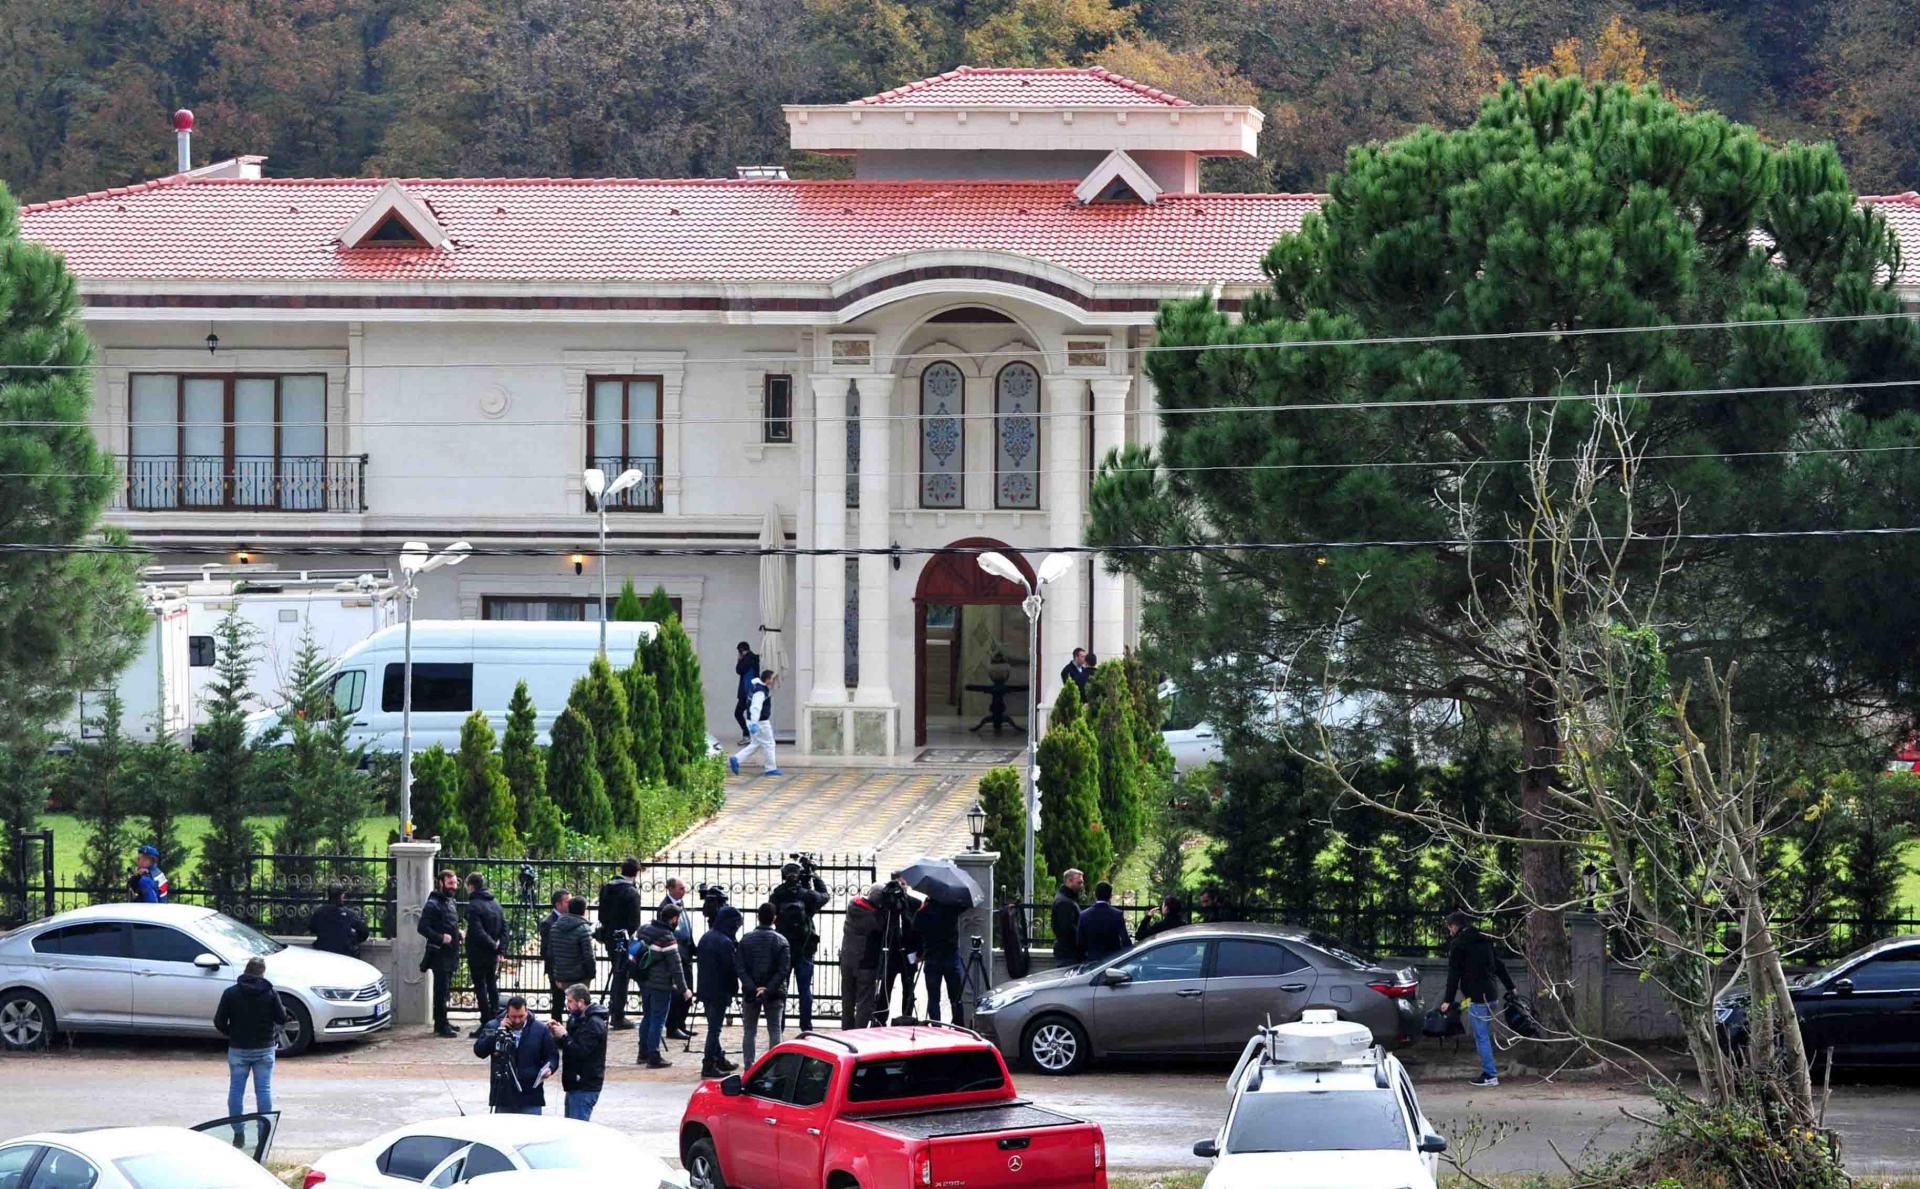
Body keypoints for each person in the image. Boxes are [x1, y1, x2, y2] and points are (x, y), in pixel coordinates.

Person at [1440, 910, 1515, 1088]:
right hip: (1491, 996)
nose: (1449, 931)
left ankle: (1490, 1075)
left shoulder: (1459, 944)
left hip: (1477, 998)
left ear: (1454, 926)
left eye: (1449, 928)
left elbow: (1454, 974)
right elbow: (1499, 965)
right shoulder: (1484, 940)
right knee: (1480, 1030)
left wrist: (1447, 1000)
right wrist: (1511, 986)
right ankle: (1489, 1071)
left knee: (1481, 1037)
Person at [212, 957, 287, 1117]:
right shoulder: (270, 993)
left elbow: (219, 1021)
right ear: (262, 973)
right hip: (264, 1048)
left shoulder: (230, 993)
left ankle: (237, 1128)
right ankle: (264, 1128)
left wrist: (231, 1033)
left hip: (238, 1048)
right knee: (264, 1089)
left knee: (236, 1090)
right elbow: (282, 1018)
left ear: (245, 970)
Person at [474, 996, 559, 1115]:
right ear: (507, 1013)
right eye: (513, 1017)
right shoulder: (492, 1027)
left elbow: (552, 1055)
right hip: (503, 1095)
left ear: (527, 1011)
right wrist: (499, 1031)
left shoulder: (540, 1029)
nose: (517, 1020)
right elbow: (480, 1050)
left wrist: (550, 1068)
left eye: (521, 1016)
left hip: (530, 1095)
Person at [770, 859, 828, 1031]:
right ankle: (806, 1026)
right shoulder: (807, 895)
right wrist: (814, 876)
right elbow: (824, 896)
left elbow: (770, 914)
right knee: (805, 989)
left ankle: (779, 1026)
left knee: (781, 988)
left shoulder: (778, 894)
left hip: (783, 947)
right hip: (805, 947)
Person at [632, 905, 692, 1068]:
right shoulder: (667, 937)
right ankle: (654, 1056)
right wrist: (684, 989)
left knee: (647, 1016)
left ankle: (643, 1053)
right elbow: (676, 966)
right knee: (658, 1019)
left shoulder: (644, 929)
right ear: (674, 919)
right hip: (660, 984)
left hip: (644, 981)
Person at [735, 903, 791, 1067]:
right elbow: (783, 970)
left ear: (758, 917)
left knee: (749, 1031)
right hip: (774, 992)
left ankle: (749, 1066)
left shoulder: (746, 940)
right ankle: (775, 1068)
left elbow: (740, 967)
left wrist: (752, 987)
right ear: (775, 918)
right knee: (775, 1030)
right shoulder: (781, 941)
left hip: (751, 992)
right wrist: (769, 988)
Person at [696, 904, 743, 1077]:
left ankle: (719, 1058)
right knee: (714, 1030)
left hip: (705, 989)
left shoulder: (706, 937)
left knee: (713, 1027)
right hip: (719, 991)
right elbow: (730, 969)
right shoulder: (724, 942)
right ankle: (708, 1064)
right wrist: (734, 989)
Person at [549, 984, 608, 1121]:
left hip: (585, 1085)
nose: (567, 1005)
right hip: (574, 1083)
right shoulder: (577, 1019)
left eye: (570, 1001)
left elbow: (581, 1051)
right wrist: (557, 1034)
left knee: (577, 1127)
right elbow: (570, 1045)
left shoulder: (593, 1023)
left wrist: (564, 1036)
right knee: (570, 1125)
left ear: (581, 1002)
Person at [597, 858, 644, 1031]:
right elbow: (635, 921)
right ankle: (617, 1015)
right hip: (624, 938)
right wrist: (628, 933)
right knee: (622, 975)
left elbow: (601, 915)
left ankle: (614, 1011)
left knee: (618, 973)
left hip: (609, 936)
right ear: (636, 873)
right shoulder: (631, 892)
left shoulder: (607, 888)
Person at [418, 869, 463, 1038]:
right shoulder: (433, 904)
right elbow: (422, 927)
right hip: (439, 954)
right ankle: (441, 1025)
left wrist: (458, 933)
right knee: (441, 991)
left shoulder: (450, 901)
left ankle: (442, 1021)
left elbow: (449, 923)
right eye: (450, 883)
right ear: (441, 883)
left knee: (445, 990)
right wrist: (440, 937)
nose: (454, 887)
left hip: (451, 953)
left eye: (455, 883)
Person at [838, 884, 887, 1028]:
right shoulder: (875, 917)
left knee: (847, 999)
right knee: (864, 1001)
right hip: (866, 963)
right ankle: (858, 1032)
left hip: (847, 960)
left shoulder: (853, 906)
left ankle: (846, 1030)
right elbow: (883, 926)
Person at [464, 872, 506, 1034]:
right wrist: (500, 948)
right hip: (491, 953)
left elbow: (477, 930)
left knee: (480, 986)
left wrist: (493, 946)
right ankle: (495, 1018)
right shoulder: (495, 903)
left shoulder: (474, 905)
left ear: (471, 886)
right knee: (491, 983)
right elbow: (504, 928)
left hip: (478, 952)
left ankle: (486, 1022)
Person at [548, 897, 598, 1025]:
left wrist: (556, 973)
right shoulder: (584, 929)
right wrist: (591, 973)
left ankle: (557, 1029)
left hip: (562, 975)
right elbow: (588, 955)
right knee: (581, 1005)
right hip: (579, 975)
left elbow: (551, 954)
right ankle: (580, 1029)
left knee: (561, 1004)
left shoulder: (555, 926)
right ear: (584, 910)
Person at [916, 896, 965, 1024]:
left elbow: (916, 930)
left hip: (932, 957)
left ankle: (936, 1026)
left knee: (933, 998)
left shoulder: (923, 912)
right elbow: (964, 906)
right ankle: (959, 1024)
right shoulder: (951, 908)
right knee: (956, 997)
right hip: (950, 956)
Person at [728, 669, 782, 777]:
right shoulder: (760, 691)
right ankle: (770, 769)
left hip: (753, 721)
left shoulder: (756, 686)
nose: (773, 681)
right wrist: (754, 723)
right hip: (760, 723)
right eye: (772, 679)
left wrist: (753, 722)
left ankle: (736, 759)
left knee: (755, 744)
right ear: (767, 679)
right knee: (769, 744)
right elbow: (755, 707)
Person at [662, 878, 697, 1042]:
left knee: (688, 990)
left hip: (686, 953)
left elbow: (687, 929)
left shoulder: (681, 904)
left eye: (684, 888)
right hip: (677, 954)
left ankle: (681, 1023)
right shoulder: (666, 907)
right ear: (670, 889)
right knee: (678, 992)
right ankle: (673, 1026)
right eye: (680, 888)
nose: (683, 891)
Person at [881, 889, 920, 1022]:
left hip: (908, 953)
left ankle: (907, 1018)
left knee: (908, 989)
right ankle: (880, 1017)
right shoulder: (887, 904)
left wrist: (918, 953)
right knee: (885, 988)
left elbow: (917, 930)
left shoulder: (914, 903)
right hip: (891, 953)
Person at [538, 889, 572, 1020]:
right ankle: (556, 1024)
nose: (570, 904)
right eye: (567, 902)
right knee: (558, 1000)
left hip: (570, 966)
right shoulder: (548, 922)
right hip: (556, 968)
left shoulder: (571, 918)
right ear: (558, 904)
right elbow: (545, 951)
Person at [1077, 882, 1131, 964]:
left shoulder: (1084, 915)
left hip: (1092, 960)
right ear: (1110, 896)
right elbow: (1125, 939)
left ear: (1095, 895)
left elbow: (1080, 941)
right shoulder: (1117, 914)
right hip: (1112, 960)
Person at [309, 884, 369, 958]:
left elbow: (312, 928)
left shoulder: (319, 912)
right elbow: (364, 932)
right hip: (345, 954)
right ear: (342, 896)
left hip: (323, 953)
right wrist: (353, 939)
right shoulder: (350, 914)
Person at [1051, 870, 1085, 964]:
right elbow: (1067, 929)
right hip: (1068, 952)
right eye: (1079, 882)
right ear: (1069, 881)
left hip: (1068, 951)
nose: (1081, 885)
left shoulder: (1068, 899)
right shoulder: (1064, 902)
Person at [732, 640, 761, 745]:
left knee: (738, 713)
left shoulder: (746, 659)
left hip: (746, 692)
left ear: (741, 650)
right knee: (751, 714)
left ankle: (747, 735)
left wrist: (739, 660)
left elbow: (739, 670)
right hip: (754, 690)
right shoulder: (755, 658)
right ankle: (753, 736)